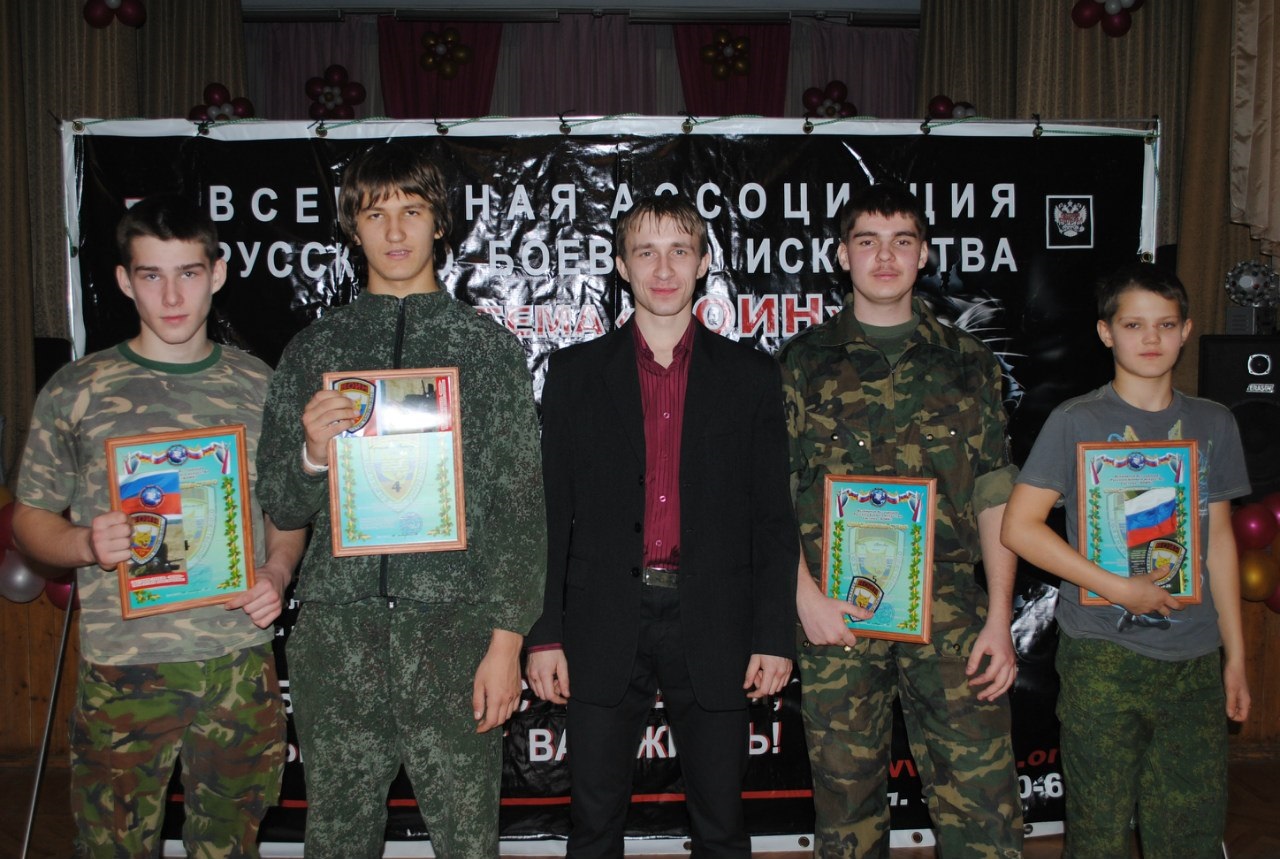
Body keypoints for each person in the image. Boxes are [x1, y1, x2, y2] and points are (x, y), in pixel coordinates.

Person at [255, 142, 546, 859]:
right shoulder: (315, 351)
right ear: (351, 227)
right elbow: (281, 505)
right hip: (339, 638)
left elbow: (518, 509)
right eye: (374, 213)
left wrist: (506, 642)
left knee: (468, 844)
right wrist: (311, 454)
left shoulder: (485, 350)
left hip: (454, 638)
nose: (394, 231)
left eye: (412, 211)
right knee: (336, 840)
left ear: (439, 223)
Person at [12, 194, 303, 858]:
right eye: (151, 275)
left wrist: (278, 570)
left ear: (217, 273)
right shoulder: (78, 389)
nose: (172, 296)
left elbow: (284, 514)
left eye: (188, 273)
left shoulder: (259, 385)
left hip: (236, 663)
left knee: (230, 847)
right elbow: (29, 519)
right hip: (124, 671)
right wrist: (84, 542)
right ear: (124, 280)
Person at [525, 195, 798, 858]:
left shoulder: (752, 377)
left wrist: (773, 635)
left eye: (680, 250)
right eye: (646, 252)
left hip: (717, 622)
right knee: (593, 826)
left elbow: (772, 517)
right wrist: (545, 633)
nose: (664, 268)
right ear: (622, 266)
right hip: (600, 620)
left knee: (722, 826)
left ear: (703, 263)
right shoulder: (574, 375)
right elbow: (549, 515)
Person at [780, 183, 1023, 858]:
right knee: (846, 815)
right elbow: (772, 494)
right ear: (842, 255)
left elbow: (994, 494)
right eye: (868, 241)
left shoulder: (969, 363)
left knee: (984, 810)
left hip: (951, 615)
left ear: (924, 255)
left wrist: (1000, 617)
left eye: (901, 241)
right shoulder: (802, 363)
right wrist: (805, 599)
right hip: (836, 614)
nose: (884, 257)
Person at [1001, 262, 1251, 858]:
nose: (1151, 338)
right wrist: (1118, 587)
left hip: (1194, 658)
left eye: (1165, 324)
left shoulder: (1213, 422)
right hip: (1102, 656)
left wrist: (1236, 656)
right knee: (1100, 831)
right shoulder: (1076, 421)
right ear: (1106, 332)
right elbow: (1019, 527)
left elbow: (1218, 540)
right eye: (1134, 324)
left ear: (1186, 330)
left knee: (1189, 829)